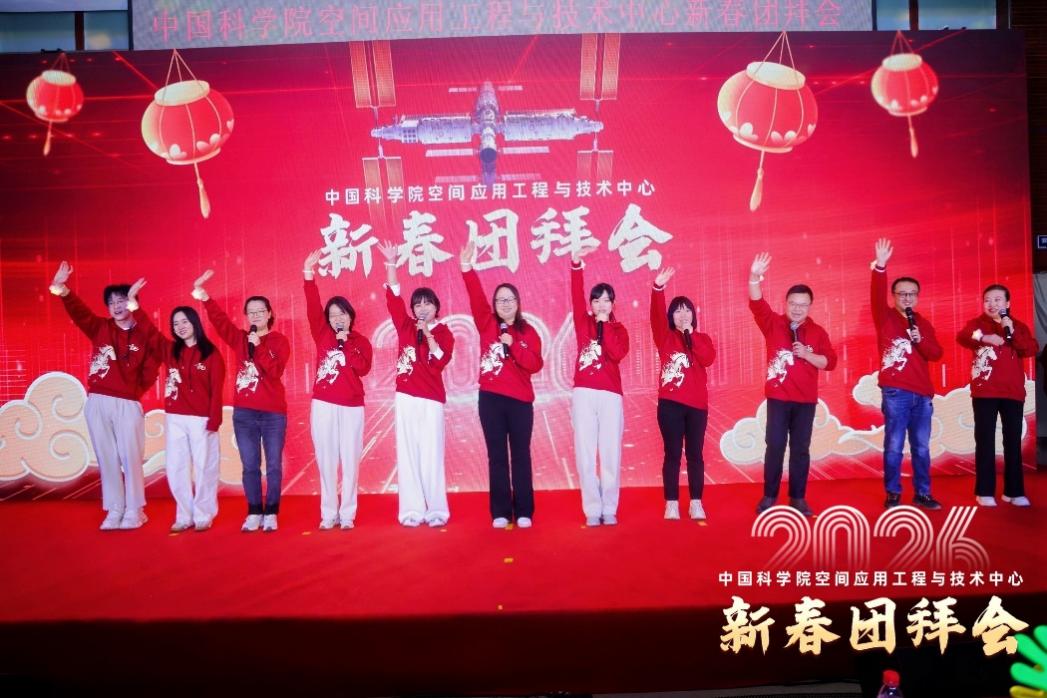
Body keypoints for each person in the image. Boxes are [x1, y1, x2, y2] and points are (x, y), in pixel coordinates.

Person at [49, 262, 159, 530]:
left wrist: (132, 392)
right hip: (97, 401)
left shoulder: (144, 333)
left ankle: (135, 509)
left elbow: (153, 366)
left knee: (131, 457)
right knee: (106, 457)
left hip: (127, 403)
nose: (116, 306)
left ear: (131, 302)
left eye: (121, 301)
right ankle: (115, 509)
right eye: (111, 303)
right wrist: (63, 289)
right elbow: (79, 312)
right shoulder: (101, 328)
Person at [192, 270, 290, 532]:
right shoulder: (239, 339)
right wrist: (205, 297)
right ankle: (254, 511)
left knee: (273, 465)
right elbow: (220, 322)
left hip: (273, 414)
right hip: (244, 414)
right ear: (247, 316)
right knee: (249, 465)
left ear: (269, 314)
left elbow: (275, 371)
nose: (255, 315)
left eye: (260, 311)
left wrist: (259, 346)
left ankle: (271, 512)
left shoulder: (279, 341)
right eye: (251, 312)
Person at [459, 241, 544, 529]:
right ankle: (500, 511)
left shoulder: (528, 332)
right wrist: (467, 267)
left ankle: (524, 511)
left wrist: (514, 345)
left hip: (520, 402)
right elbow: (475, 296)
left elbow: (535, 364)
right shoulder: (487, 324)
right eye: (500, 300)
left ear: (518, 303)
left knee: (520, 455)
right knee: (496, 456)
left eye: (509, 299)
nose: (504, 304)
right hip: (491, 400)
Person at [749, 252, 837, 517]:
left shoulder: (818, 332)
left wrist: (808, 355)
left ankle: (798, 497)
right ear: (786, 303)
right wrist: (754, 276)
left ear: (810, 306)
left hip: (805, 402)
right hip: (778, 399)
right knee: (775, 446)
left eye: (803, 305)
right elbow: (757, 303)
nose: (797, 309)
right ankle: (769, 495)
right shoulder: (773, 323)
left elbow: (830, 362)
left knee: (800, 450)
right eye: (793, 303)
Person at [133, 291, 225, 532]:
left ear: (194, 322)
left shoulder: (211, 354)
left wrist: (214, 420)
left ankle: (203, 514)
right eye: (175, 324)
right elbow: (149, 332)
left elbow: (217, 390)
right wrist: (134, 306)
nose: (180, 327)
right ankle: (184, 515)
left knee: (205, 468)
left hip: (202, 419)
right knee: (176, 467)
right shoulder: (170, 350)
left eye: (185, 321)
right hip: (175, 418)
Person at [377, 241, 454, 527]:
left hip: (431, 399)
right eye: (417, 304)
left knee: (431, 454)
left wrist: (429, 335)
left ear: (436, 307)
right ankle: (411, 510)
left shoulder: (444, 332)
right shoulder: (406, 326)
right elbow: (393, 297)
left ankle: (436, 511)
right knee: (408, 453)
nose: (422, 308)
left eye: (427, 303)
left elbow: (440, 361)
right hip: (406, 396)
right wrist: (391, 263)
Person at [303, 249, 374, 529]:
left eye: (341, 314)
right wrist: (308, 274)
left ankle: (347, 514)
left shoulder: (360, 341)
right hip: (323, 403)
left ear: (350, 316)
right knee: (326, 458)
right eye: (332, 316)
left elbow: (363, 368)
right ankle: (328, 513)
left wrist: (347, 346)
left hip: (352, 406)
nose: (337, 319)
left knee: (350, 460)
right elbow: (312, 306)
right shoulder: (322, 334)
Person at [871, 238, 943, 510]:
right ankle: (893, 492)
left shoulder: (922, 323)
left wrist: (920, 339)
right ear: (894, 296)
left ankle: (923, 493)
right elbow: (876, 295)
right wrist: (880, 266)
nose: (907, 298)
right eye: (902, 294)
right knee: (894, 445)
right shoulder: (885, 317)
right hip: (896, 392)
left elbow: (936, 353)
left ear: (918, 297)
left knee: (921, 447)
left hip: (922, 395)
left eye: (912, 294)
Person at [957, 284, 1038, 507]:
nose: (992, 304)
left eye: (997, 299)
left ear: (1007, 303)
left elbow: (1030, 349)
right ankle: (984, 491)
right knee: (985, 441)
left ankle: (1014, 491)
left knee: (1012, 442)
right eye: (987, 300)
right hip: (985, 391)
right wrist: (985, 338)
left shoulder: (1017, 326)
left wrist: (1010, 330)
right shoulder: (977, 325)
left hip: (1012, 392)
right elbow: (963, 336)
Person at [570, 247, 629, 526]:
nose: (602, 305)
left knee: (610, 453)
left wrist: (605, 328)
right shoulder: (582, 323)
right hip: (583, 392)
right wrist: (576, 264)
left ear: (613, 304)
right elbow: (575, 293)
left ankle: (609, 506)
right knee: (585, 452)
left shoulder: (619, 330)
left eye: (607, 300)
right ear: (591, 305)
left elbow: (616, 354)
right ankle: (592, 508)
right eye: (597, 300)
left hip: (610, 396)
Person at [651, 266, 716, 521]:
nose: (683, 314)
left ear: (693, 315)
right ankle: (671, 503)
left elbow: (707, 359)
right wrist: (658, 288)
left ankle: (696, 502)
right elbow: (656, 313)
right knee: (672, 454)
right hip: (670, 405)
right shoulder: (664, 337)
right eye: (677, 311)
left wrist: (691, 336)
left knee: (695, 455)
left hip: (697, 406)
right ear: (671, 317)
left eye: (687, 310)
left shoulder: (703, 338)